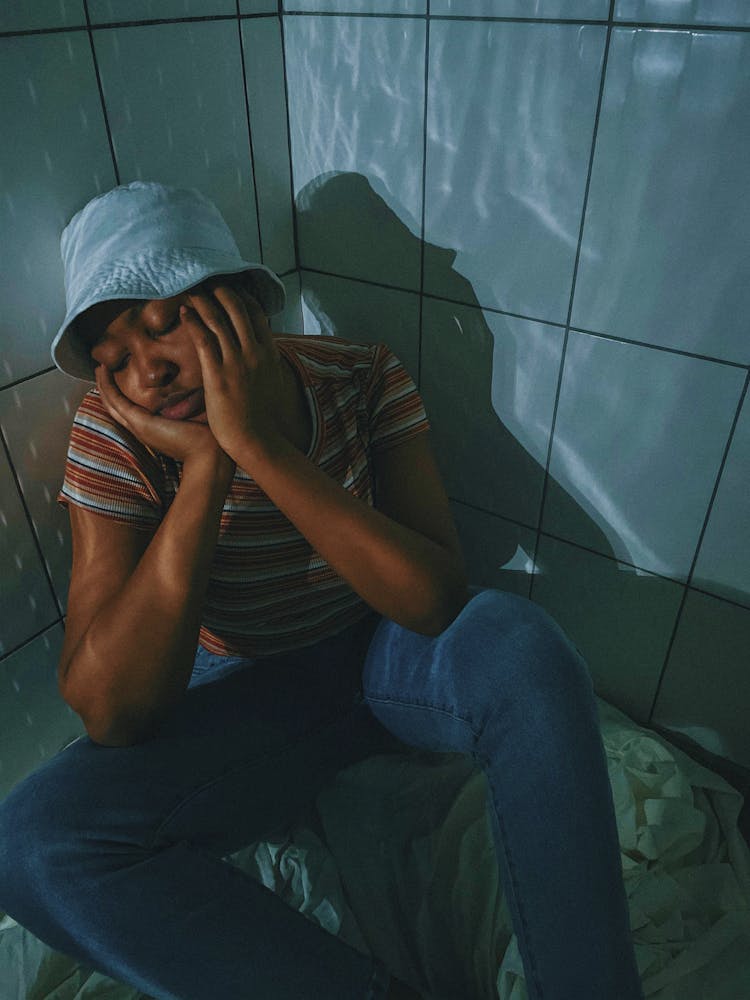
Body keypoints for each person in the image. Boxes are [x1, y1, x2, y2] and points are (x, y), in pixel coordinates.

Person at [0, 181, 643, 1000]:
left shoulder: (361, 376)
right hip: (246, 692)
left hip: (381, 653)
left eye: (167, 327)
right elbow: (111, 710)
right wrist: (205, 469)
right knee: (31, 847)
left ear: (241, 304)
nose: (149, 372)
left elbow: (434, 599)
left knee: (523, 647)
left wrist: (257, 445)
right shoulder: (114, 434)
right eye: (116, 358)